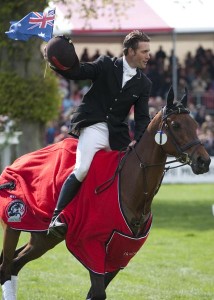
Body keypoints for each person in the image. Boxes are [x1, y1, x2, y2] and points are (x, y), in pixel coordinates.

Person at [45, 30, 152, 238]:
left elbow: (142, 118)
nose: (148, 55)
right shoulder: (105, 64)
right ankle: (56, 217)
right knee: (82, 168)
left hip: (118, 136)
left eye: (149, 51)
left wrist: (137, 141)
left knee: (129, 174)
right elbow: (78, 72)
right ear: (130, 51)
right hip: (93, 126)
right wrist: (56, 61)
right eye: (144, 51)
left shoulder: (144, 83)